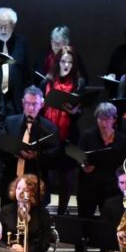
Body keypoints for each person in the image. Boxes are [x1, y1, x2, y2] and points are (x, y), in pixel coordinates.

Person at [75, 103, 126, 252]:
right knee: (84, 224)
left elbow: (124, 165)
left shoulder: (122, 139)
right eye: (100, 118)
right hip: (88, 187)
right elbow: (79, 157)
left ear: (114, 119)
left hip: (111, 189)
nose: (103, 122)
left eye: (106, 118)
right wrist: (83, 165)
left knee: (108, 227)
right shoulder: (88, 136)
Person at [40, 47, 85, 213]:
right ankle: (43, 211)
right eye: (63, 61)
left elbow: (80, 109)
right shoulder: (47, 82)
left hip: (68, 135)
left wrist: (74, 113)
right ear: (57, 62)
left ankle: (62, 213)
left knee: (66, 178)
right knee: (44, 175)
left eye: (70, 62)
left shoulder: (78, 83)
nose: (66, 65)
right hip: (48, 134)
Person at [0, 87, 62, 198]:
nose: (30, 108)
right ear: (22, 102)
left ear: (41, 105)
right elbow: (0, 147)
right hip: (11, 181)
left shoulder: (49, 128)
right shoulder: (10, 122)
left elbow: (55, 157)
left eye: (35, 104)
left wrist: (37, 155)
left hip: (36, 184)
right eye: (27, 103)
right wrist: (16, 151)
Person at [0, 174, 52, 252]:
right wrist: (8, 249)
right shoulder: (6, 211)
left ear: (34, 192)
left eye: (25, 189)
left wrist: (25, 250)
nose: (20, 192)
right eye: (18, 188)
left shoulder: (42, 214)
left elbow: (44, 243)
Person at [0, 7, 29, 117]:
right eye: (0, 26)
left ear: (13, 26)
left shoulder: (22, 44)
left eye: (6, 26)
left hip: (15, 99)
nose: (3, 30)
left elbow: (27, 73)